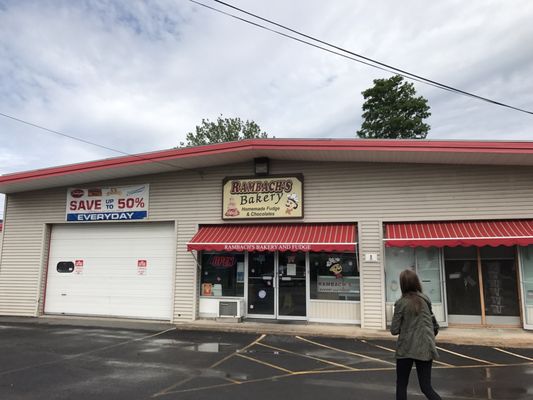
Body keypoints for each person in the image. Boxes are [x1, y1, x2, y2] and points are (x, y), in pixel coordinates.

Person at [391, 269, 441, 400]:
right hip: (426, 347)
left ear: (402, 284)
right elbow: (433, 325)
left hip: (406, 348)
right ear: (416, 282)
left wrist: (406, 325)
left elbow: (394, 330)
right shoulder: (426, 300)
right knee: (426, 387)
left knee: (401, 385)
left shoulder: (401, 303)